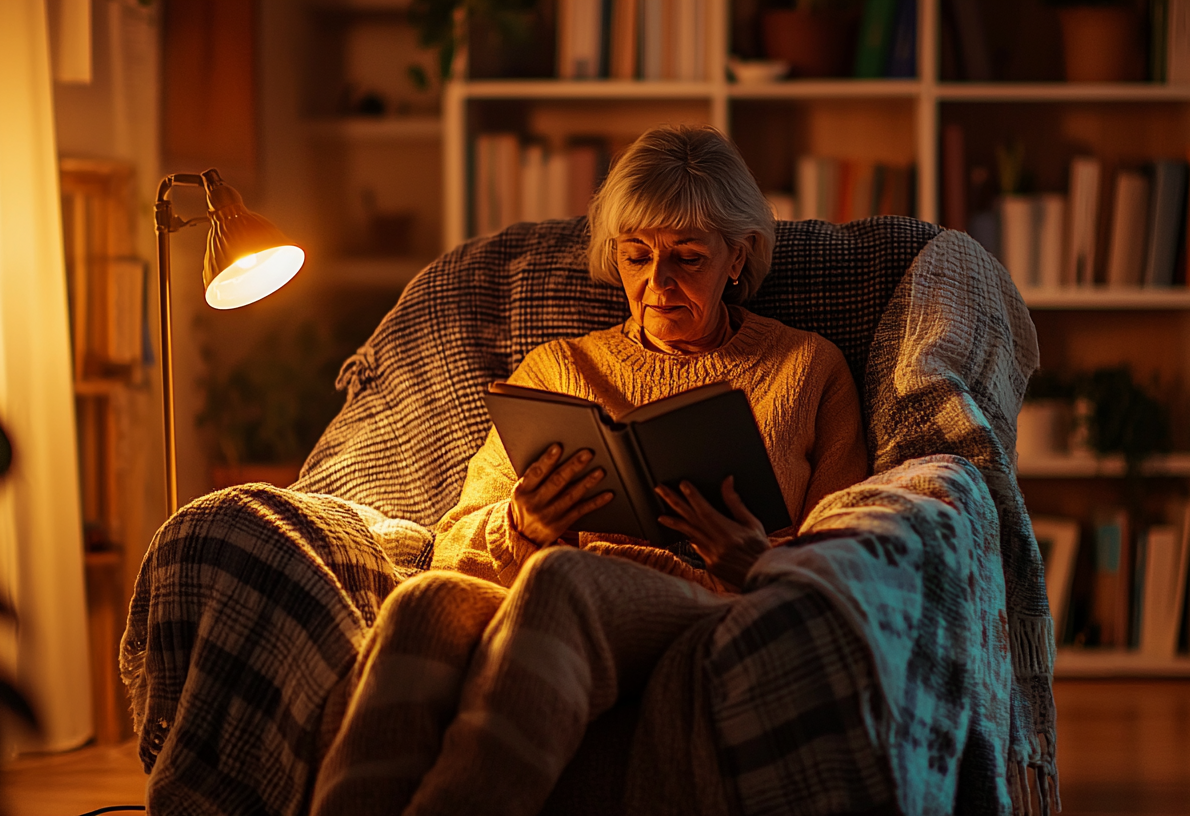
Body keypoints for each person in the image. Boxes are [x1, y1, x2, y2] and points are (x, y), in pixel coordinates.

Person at [310, 124, 876, 816]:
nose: (656, 284)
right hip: (552, 591)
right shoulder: (558, 370)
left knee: (562, 578)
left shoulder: (810, 369)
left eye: (687, 258)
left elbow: (852, 556)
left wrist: (757, 561)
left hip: (710, 606)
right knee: (421, 606)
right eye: (636, 257)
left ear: (739, 257)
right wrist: (522, 523)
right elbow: (453, 546)